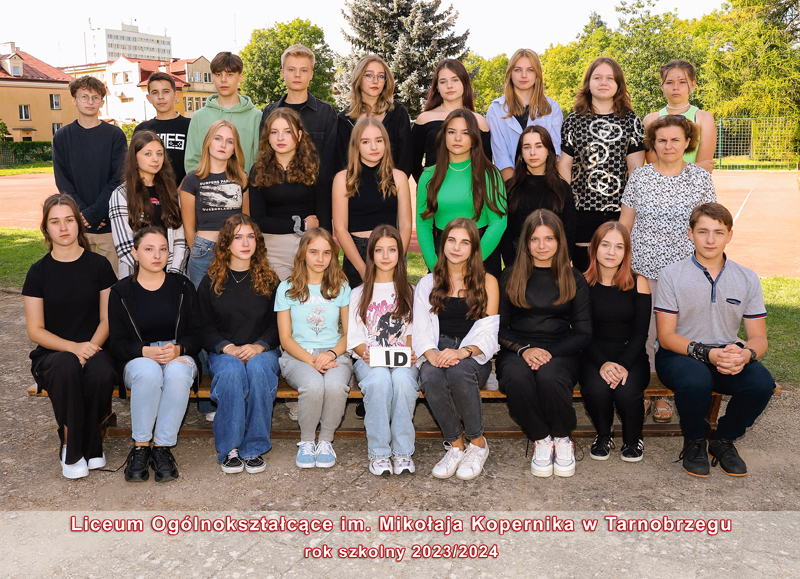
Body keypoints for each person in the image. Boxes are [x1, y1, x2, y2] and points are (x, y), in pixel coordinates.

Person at [655, 203, 774, 478]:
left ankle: (723, 440)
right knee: (696, 379)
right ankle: (695, 441)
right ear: (690, 234)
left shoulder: (747, 278)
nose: (710, 240)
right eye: (703, 231)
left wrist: (745, 355)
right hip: (680, 354)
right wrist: (706, 353)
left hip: (726, 353)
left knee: (761, 382)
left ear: (729, 235)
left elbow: (759, 338)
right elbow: (666, 336)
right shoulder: (672, 274)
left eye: (718, 232)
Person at [620, 114, 716, 422]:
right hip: (644, 272)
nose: (668, 145)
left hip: (686, 275)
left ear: (688, 142)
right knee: (645, 335)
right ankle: (646, 391)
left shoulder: (700, 178)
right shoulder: (640, 177)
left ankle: (665, 394)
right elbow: (625, 225)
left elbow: (708, 226)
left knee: (675, 336)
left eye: (675, 139)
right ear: (653, 143)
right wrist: (623, 265)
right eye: (661, 140)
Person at [22, 194, 118, 479]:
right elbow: (35, 330)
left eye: (69, 220)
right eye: (55, 222)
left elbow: (107, 320)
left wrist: (89, 349)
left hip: (96, 347)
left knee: (101, 372)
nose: (63, 227)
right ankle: (73, 448)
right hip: (54, 353)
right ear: (45, 228)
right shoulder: (38, 273)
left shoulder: (99, 266)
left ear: (79, 224)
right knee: (66, 366)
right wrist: (74, 348)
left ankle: (90, 440)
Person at [496, 209, 591, 478]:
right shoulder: (510, 276)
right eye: (535, 239)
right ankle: (541, 438)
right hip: (517, 348)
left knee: (550, 378)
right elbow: (498, 328)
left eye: (549, 238)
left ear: (559, 241)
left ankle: (562, 437)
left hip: (560, 349)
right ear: (526, 242)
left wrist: (548, 353)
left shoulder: (574, 278)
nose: (542, 246)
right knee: (516, 377)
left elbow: (583, 333)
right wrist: (524, 350)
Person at [108, 227, 202, 482]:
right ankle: (141, 447)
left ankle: (161, 448)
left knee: (179, 372)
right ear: (134, 253)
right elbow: (116, 343)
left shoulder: (182, 286)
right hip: (138, 357)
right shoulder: (121, 292)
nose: (157, 255)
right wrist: (143, 351)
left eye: (163, 249)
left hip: (177, 352)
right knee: (148, 372)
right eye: (149, 249)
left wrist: (179, 349)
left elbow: (197, 334)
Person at [413, 218, 500, 481]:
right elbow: (421, 329)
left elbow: (488, 333)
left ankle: (478, 443)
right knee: (430, 376)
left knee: (459, 372)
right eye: (451, 240)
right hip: (437, 349)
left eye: (464, 242)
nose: (456, 247)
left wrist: (461, 353)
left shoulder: (487, 282)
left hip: (473, 353)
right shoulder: (428, 283)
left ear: (474, 248)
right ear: (443, 244)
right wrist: (432, 356)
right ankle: (455, 445)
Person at [198, 215, 282, 474]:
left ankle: (254, 447)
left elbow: (278, 326)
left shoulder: (270, 280)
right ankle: (230, 448)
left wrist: (259, 346)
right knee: (232, 371)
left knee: (258, 369)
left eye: (250, 237)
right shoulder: (211, 281)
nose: (245, 243)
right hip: (224, 352)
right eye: (238, 237)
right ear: (226, 243)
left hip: (263, 351)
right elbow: (203, 327)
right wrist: (227, 348)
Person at [557, 57, 646, 272]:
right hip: (580, 210)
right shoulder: (573, 121)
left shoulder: (631, 121)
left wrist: (628, 215)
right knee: (584, 272)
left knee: (613, 275)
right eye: (597, 77)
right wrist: (566, 205)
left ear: (618, 84)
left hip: (618, 211)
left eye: (610, 78)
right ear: (588, 83)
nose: (603, 82)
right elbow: (565, 166)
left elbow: (636, 171)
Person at [275, 228, 353, 469]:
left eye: (326, 253)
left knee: (336, 386)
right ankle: (307, 441)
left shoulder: (341, 287)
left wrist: (329, 354)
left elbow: (349, 335)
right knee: (313, 385)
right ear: (303, 254)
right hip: (298, 355)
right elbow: (285, 339)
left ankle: (326, 441)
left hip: (334, 353)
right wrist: (312, 360)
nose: (320, 258)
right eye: (314, 252)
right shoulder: (286, 288)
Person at [347, 225, 418, 476]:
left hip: (403, 359)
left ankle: (403, 452)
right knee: (378, 380)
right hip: (369, 359)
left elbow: (413, 333)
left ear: (400, 253)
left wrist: (410, 353)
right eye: (379, 250)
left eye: (392, 249)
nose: (386, 256)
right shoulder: (358, 293)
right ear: (371, 254)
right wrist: (365, 352)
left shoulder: (410, 291)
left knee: (402, 381)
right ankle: (379, 453)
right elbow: (353, 338)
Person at [580, 222, 651, 462]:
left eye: (619, 247)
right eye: (605, 245)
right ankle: (604, 434)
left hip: (631, 355)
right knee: (596, 390)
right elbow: (583, 332)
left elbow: (641, 333)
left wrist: (623, 365)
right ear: (594, 248)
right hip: (593, 354)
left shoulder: (639, 282)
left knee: (627, 391)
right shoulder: (581, 283)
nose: (611, 252)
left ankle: (633, 438)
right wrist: (602, 363)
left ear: (626, 251)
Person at [416, 110, 507, 278]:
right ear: (444, 136)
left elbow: (498, 222)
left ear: (474, 138)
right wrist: (434, 265)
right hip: (442, 254)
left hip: (483, 253)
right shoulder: (428, 176)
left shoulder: (490, 173)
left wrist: (474, 261)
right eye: (452, 132)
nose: (457, 138)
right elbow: (423, 224)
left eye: (465, 133)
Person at [53, 75, 127, 275]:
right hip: (77, 225)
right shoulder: (62, 136)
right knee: (79, 282)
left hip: (109, 225)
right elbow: (62, 181)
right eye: (84, 96)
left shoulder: (115, 135)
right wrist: (83, 214)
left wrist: (97, 213)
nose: (90, 102)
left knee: (112, 282)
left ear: (102, 102)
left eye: (95, 97)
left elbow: (119, 178)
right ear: (73, 100)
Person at [250, 108, 330, 280]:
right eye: (274, 132)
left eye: (287, 131)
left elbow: (323, 218)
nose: (280, 138)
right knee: (279, 296)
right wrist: (301, 224)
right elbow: (258, 220)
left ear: (299, 135)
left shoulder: (314, 168)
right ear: (267, 137)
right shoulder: (258, 170)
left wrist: (324, 250)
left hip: (310, 246)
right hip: (273, 248)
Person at [333, 117, 412, 287]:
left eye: (379, 140)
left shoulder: (399, 177)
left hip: (389, 252)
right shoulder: (343, 179)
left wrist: (396, 258)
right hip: (357, 253)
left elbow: (406, 225)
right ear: (356, 145)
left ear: (386, 143)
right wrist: (363, 269)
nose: (374, 147)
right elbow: (340, 228)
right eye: (366, 142)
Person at [180, 119, 249, 288]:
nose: (223, 145)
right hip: (203, 251)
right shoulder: (191, 180)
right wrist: (198, 251)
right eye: (218, 138)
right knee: (201, 302)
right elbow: (188, 228)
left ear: (234, 149)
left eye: (230, 141)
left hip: (235, 250)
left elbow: (246, 220)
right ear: (208, 142)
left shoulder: (241, 179)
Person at [110, 131, 188, 279]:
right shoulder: (121, 194)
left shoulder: (171, 193)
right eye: (148, 153)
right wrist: (150, 275)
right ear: (134, 158)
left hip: (170, 276)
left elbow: (180, 240)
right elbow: (124, 246)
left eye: (159, 153)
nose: (155, 159)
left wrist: (173, 274)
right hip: (136, 277)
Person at [259, 44, 338, 188]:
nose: (297, 75)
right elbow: (265, 155)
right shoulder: (270, 112)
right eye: (291, 69)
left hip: (316, 193)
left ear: (311, 74)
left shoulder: (326, 112)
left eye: (303, 70)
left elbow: (330, 161)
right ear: (283, 73)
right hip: (276, 191)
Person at [501, 126, 576, 267]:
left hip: (555, 265)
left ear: (548, 151)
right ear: (521, 153)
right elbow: (505, 233)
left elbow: (570, 231)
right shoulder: (510, 188)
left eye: (538, 146)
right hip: (518, 265)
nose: (533, 152)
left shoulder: (562, 189)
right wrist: (512, 267)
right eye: (527, 147)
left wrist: (561, 262)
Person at [487, 49, 563, 182]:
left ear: (537, 73)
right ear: (510, 73)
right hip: (511, 185)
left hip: (545, 183)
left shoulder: (552, 108)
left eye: (530, 70)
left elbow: (554, 152)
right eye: (517, 70)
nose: (524, 75)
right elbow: (501, 156)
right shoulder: (496, 109)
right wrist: (516, 188)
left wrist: (538, 186)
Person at [411, 58, 492, 182]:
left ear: (464, 83)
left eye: (455, 80)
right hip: (433, 189)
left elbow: (485, 165)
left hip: (469, 190)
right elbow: (413, 162)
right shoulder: (425, 119)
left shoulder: (479, 121)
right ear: (437, 87)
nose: (449, 86)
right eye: (443, 81)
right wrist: (427, 184)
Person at [184, 52, 262, 174]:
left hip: (245, 185)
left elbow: (259, 160)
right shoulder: (199, 117)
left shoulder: (256, 117)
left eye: (229, 74)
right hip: (207, 185)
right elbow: (192, 161)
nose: (223, 80)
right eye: (218, 74)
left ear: (240, 77)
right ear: (212, 77)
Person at [336, 54, 412, 177]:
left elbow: (406, 158)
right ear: (358, 78)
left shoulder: (398, 113)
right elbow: (341, 163)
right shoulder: (344, 120)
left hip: (391, 185)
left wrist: (394, 183)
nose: (375, 81)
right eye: (369, 75)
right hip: (354, 186)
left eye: (381, 76)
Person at [643, 60, 716, 173]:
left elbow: (704, 171)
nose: (675, 87)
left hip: (694, 185)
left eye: (682, 82)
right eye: (669, 82)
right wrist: (695, 168)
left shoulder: (704, 118)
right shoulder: (650, 120)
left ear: (692, 85)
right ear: (662, 86)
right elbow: (655, 170)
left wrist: (671, 170)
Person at [133, 71, 192, 186]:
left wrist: (183, 189)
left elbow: (199, 163)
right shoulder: (142, 130)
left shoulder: (190, 126)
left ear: (176, 95)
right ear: (149, 98)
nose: (160, 97)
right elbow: (134, 165)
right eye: (155, 92)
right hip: (149, 193)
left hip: (184, 192)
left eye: (166, 91)